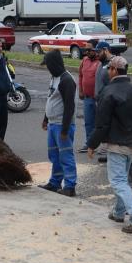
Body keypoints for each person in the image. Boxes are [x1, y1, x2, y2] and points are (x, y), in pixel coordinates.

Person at [87, 55, 132, 234]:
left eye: (109, 68)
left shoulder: (107, 93)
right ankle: (118, 212)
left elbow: (102, 125)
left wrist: (91, 144)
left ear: (115, 70)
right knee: (123, 180)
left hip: (117, 144)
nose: (107, 71)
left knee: (118, 182)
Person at [39, 50, 77, 197]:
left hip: (62, 125)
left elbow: (70, 107)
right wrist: (45, 118)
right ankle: (55, 183)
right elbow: (51, 98)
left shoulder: (67, 80)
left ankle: (70, 186)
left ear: (54, 64)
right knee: (54, 155)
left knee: (66, 156)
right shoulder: (54, 77)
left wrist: (65, 130)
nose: (47, 68)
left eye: (48, 65)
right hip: (53, 124)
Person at [77, 42, 100, 153]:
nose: (87, 52)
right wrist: (81, 90)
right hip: (87, 97)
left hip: (99, 99)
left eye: (89, 50)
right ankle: (89, 144)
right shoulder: (84, 61)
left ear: (96, 50)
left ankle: (104, 146)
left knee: (101, 123)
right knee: (88, 122)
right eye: (86, 50)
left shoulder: (100, 62)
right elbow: (80, 75)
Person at [93, 40, 113, 162]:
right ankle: (106, 150)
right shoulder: (101, 63)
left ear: (105, 50)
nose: (96, 54)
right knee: (102, 126)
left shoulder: (113, 63)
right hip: (100, 102)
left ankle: (109, 153)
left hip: (109, 102)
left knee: (110, 126)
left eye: (98, 52)